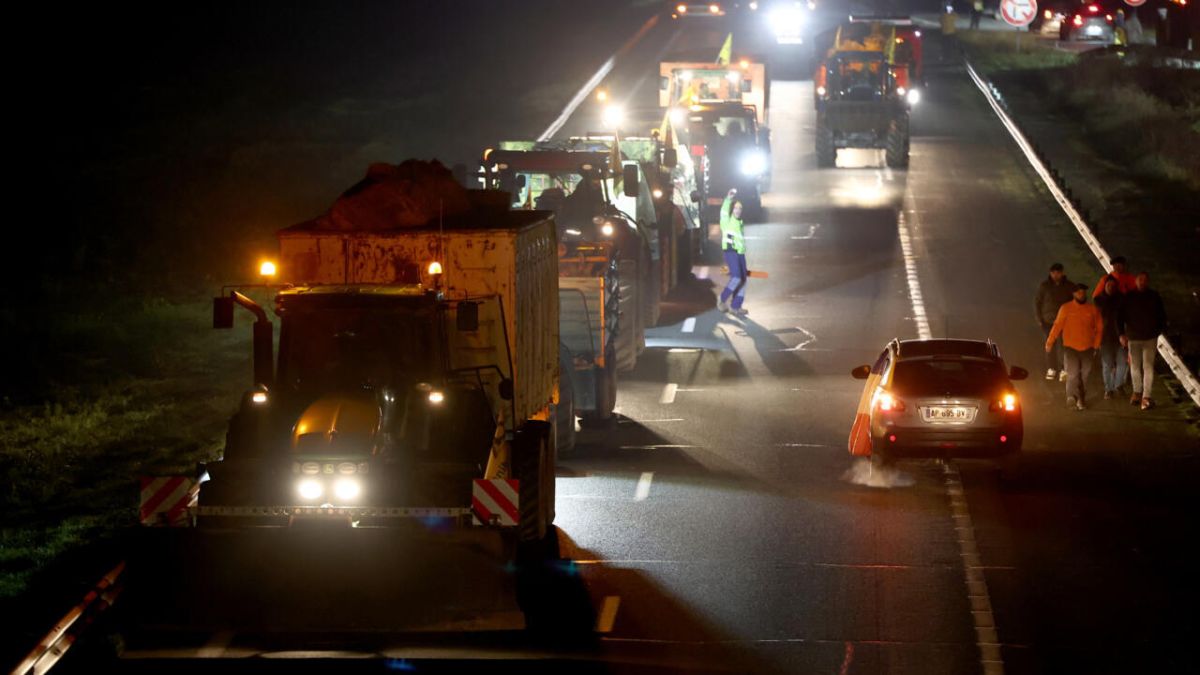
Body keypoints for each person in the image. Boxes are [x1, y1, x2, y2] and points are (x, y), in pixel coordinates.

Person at [1045, 283, 1103, 410]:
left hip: (1088, 348)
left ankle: (1081, 399)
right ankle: (1071, 397)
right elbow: (1057, 325)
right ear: (1073, 294)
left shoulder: (1092, 309)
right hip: (1070, 347)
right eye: (1078, 292)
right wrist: (1050, 342)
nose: (1081, 294)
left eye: (1083, 292)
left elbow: (1099, 329)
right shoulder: (1066, 308)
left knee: (1085, 374)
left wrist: (1096, 345)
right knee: (1072, 373)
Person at [1118, 272, 1167, 410]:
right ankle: (1137, 392)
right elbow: (1119, 317)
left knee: (1148, 367)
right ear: (1136, 281)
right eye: (1140, 279)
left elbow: (1162, 315)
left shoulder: (1154, 296)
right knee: (1134, 366)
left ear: (1148, 281)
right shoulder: (1128, 297)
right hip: (1133, 338)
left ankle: (1146, 396)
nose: (1142, 282)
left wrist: (1158, 331)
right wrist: (1121, 334)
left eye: (1145, 279)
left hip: (1150, 338)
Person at [1034, 263, 1075, 381]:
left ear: (1062, 273)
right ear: (1050, 273)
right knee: (1050, 344)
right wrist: (1039, 319)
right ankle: (1051, 368)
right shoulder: (1044, 286)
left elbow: (1076, 300)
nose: (1056, 275)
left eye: (1058, 272)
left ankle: (1063, 368)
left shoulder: (1069, 286)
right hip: (1048, 321)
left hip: (1064, 321)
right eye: (1054, 272)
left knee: (1064, 345)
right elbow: (1037, 302)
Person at [1093, 278, 1128, 400]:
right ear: (1105, 285)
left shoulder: (1122, 299)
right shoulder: (1098, 300)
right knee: (1107, 365)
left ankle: (1118, 385)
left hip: (1120, 336)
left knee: (1122, 363)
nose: (1111, 287)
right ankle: (1109, 389)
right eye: (1108, 285)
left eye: (1113, 285)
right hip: (1104, 337)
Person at [717, 189, 748, 315]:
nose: (738, 211)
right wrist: (728, 199)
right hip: (731, 252)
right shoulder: (726, 221)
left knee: (743, 280)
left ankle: (736, 306)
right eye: (735, 208)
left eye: (740, 209)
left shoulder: (740, 223)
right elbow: (724, 211)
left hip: (740, 253)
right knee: (736, 277)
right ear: (732, 209)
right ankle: (722, 299)